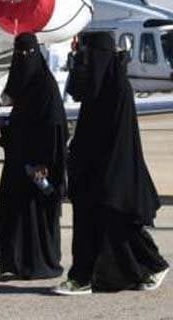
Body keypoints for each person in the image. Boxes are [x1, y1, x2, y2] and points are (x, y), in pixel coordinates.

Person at [54, 32, 169, 295]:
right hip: (91, 172)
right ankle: (83, 277)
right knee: (91, 226)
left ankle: (154, 264)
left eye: (91, 57)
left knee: (119, 223)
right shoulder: (99, 88)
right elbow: (76, 92)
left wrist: (110, 175)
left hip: (114, 172)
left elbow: (121, 140)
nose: (88, 63)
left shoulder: (118, 90)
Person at [0, 32, 67, 280]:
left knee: (29, 215)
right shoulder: (24, 87)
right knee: (10, 212)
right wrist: (4, 123)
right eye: (19, 54)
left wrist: (42, 164)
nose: (23, 59)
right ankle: (4, 259)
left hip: (36, 166)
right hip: (18, 162)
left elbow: (53, 128)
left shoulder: (45, 88)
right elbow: (20, 123)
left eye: (28, 53)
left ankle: (21, 261)